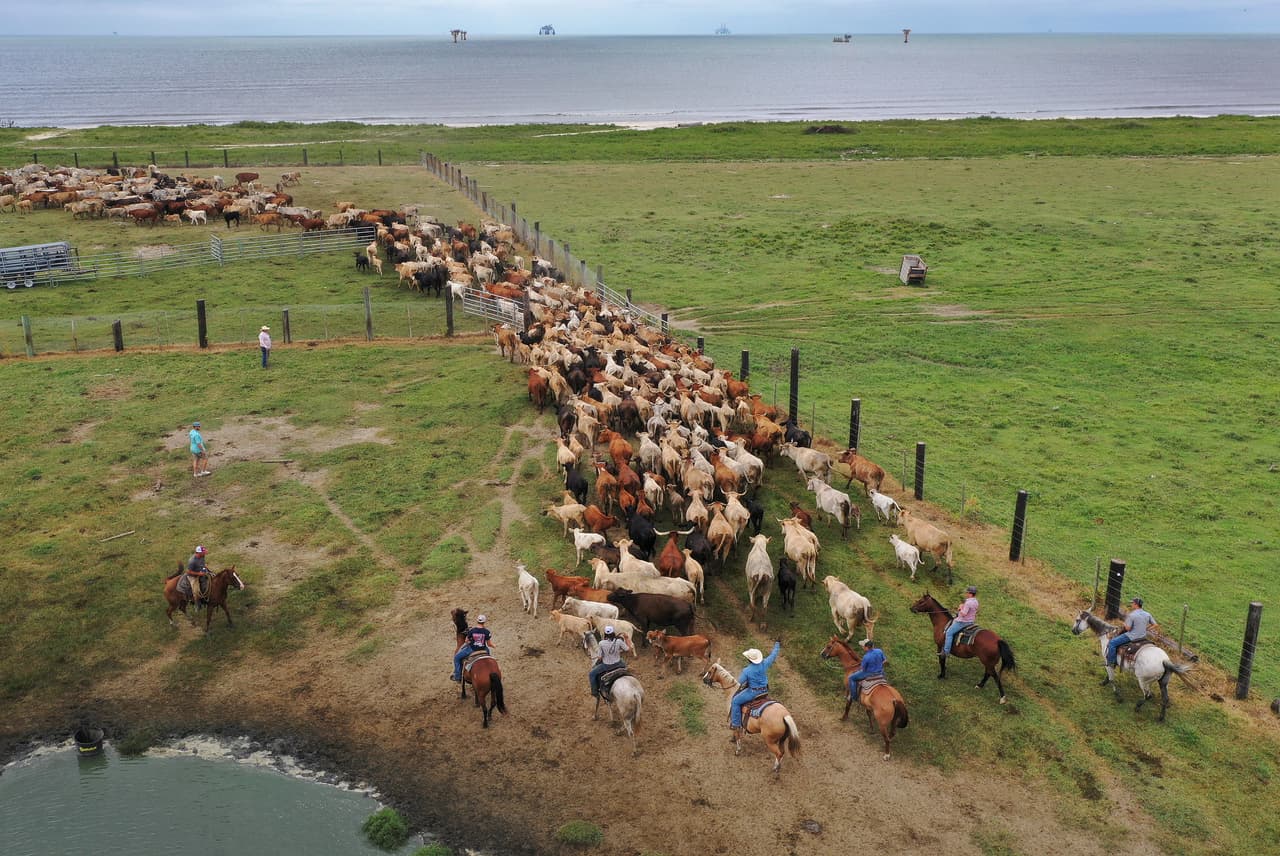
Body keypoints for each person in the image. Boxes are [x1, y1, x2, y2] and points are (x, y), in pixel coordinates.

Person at [729, 639, 781, 742]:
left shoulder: (747, 670)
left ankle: (736, 724)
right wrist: (777, 644)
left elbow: (739, 682)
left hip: (753, 693)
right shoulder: (764, 663)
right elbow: (773, 655)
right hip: (764, 691)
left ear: (749, 659)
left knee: (735, 701)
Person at [1106, 597, 1157, 668]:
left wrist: (1124, 624)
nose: (1131, 605)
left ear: (1136, 604)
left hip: (1131, 636)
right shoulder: (1147, 614)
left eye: (1132, 603)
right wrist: (1146, 629)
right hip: (1143, 637)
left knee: (1112, 643)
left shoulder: (1132, 615)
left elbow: (1128, 629)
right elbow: (1155, 625)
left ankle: (1111, 662)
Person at [588, 625, 634, 698]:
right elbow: (629, 650)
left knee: (592, 674)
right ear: (613, 633)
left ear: (605, 634)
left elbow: (600, 657)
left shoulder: (601, 643)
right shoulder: (618, 641)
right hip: (619, 663)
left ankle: (594, 692)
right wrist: (627, 638)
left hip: (607, 666)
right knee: (625, 665)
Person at [941, 585, 979, 658]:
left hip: (963, 622)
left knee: (949, 633)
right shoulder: (976, 601)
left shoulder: (968, 603)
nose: (966, 594)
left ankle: (946, 652)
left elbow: (964, 614)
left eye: (967, 593)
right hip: (971, 621)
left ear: (970, 594)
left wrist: (960, 608)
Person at [452, 614, 492, 682]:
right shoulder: (487, 632)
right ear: (484, 622)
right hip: (483, 649)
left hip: (472, 649)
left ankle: (457, 676)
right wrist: (494, 646)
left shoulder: (472, 631)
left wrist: (468, 642)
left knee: (456, 658)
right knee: (488, 657)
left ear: (477, 621)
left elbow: (466, 641)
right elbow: (489, 644)